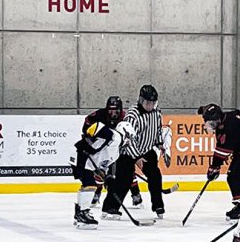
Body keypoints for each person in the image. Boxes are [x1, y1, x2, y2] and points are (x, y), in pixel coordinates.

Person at [102, 85, 169, 219]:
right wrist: (137, 157)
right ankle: (110, 208)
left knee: (155, 175)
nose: (150, 105)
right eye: (147, 102)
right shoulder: (132, 115)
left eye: (153, 103)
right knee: (124, 179)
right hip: (127, 151)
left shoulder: (157, 112)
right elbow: (128, 138)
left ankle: (158, 205)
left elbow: (157, 130)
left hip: (146, 149)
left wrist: (160, 144)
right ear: (141, 100)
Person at [201, 103, 240, 220]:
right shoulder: (227, 119)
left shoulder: (229, 127)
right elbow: (223, 147)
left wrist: (213, 168)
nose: (211, 125)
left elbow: (222, 152)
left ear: (218, 118)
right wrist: (215, 167)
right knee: (236, 175)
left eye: (212, 122)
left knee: (235, 176)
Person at [81, 96, 143, 208]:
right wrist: (88, 136)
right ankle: (97, 193)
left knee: (127, 169)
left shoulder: (126, 117)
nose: (113, 114)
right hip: (104, 148)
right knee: (100, 169)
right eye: (110, 110)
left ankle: (135, 193)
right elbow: (87, 123)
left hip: (121, 148)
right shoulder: (99, 115)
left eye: (116, 111)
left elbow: (133, 133)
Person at [70, 122, 124, 229]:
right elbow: (98, 128)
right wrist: (88, 142)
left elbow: (103, 168)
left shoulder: (116, 152)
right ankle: (83, 213)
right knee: (90, 185)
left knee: (87, 185)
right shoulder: (116, 137)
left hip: (81, 158)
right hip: (80, 156)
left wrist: (105, 177)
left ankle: (80, 213)